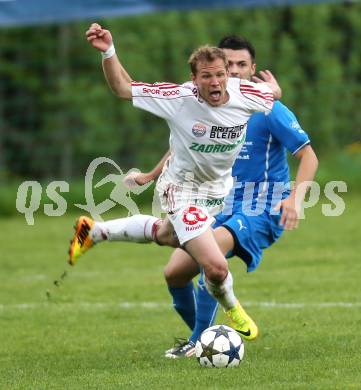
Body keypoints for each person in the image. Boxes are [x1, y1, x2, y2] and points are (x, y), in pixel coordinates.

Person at [77, 34, 318, 358]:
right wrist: (109, 51)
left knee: (170, 242)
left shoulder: (255, 99)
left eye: (234, 67)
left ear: (250, 69)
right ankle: (217, 323)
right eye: (217, 71)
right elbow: (125, 89)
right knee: (209, 266)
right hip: (184, 191)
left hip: (244, 201)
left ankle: (95, 231)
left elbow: (292, 127)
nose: (224, 77)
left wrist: (295, 198)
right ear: (196, 78)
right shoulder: (178, 98)